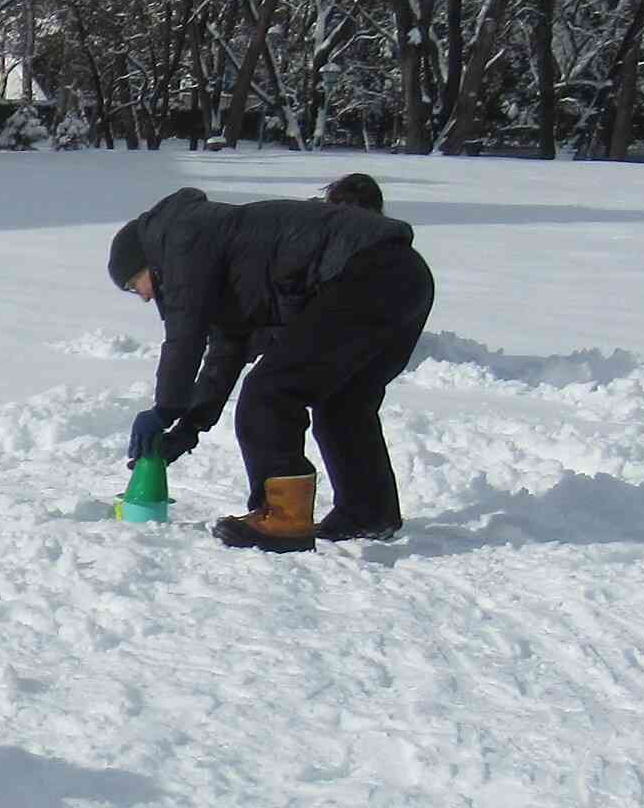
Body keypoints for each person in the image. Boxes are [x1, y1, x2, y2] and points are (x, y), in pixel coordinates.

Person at [107, 184, 436, 550]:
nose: (144, 297)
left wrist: (164, 409)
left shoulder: (182, 238)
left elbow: (185, 335)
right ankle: (369, 513)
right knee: (343, 403)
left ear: (146, 261)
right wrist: (187, 428)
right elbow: (225, 351)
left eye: (134, 285)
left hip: (365, 274)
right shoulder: (211, 256)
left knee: (270, 393)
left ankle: (282, 519)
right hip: (406, 278)